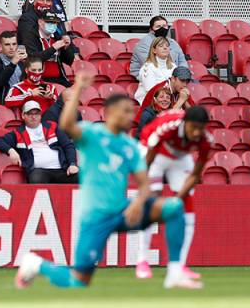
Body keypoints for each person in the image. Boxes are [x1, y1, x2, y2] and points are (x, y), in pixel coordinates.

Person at [15, 75, 200, 290]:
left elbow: (144, 182)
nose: (131, 116)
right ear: (110, 113)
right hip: (95, 217)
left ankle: (175, 272)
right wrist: (76, 92)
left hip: (122, 211)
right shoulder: (92, 134)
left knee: (174, 208)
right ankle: (35, 264)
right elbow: (66, 124)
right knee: (78, 281)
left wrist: (140, 202)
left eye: (131, 111)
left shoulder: (129, 145)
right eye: (126, 111)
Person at [134, 107, 212, 280]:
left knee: (187, 207)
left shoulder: (206, 140)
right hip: (153, 152)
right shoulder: (168, 127)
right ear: (185, 124)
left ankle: (180, 265)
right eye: (193, 127)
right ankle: (142, 261)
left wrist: (177, 199)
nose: (196, 132)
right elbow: (149, 157)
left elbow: (195, 175)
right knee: (151, 203)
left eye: (201, 128)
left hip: (179, 157)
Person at [0, 100, 79, 184]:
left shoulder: (52, 126)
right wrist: (11, 151)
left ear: (40, 115)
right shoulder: (18, 133)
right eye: (30, 114)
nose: (34, 117)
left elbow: (68, 145)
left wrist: (72, 164)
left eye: (36, 113)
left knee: (82, 177)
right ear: (23, 115)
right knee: (37, 179)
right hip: (39, 171)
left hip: (62, 169)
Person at [18, 11, 75, 87]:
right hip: (38, 80)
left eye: (54, 23)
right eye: (49, 22)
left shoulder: (57, 37)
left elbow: (69, 61)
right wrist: (53, 48)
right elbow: (33, 59)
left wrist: (67, 47)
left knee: (75, 93)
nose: (52, 25)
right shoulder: (30, 37)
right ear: (40, 22)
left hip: (59, 79)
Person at [135, 66, 195, 132]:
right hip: (146, 126)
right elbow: (166, 118)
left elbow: (194, 115)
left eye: (187, 82)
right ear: (173, 79)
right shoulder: (161, 90)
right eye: (182, 81)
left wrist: (185, 101)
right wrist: (181, 101)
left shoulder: (182, 90)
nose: (185, 85)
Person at [0, 30, 27, 103]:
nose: (11, 47)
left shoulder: (22, 60)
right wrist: (13, 64)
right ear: (0, 46)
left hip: (23, 98)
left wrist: (29, 63)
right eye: (7, 44)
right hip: (4, 102)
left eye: (14, 44)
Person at [134, 37, 176, 104]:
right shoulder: (147, 67)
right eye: (161, 46)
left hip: (168, 101)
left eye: (167, 46)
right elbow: (150, 91)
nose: (165, 48)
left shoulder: (173, 66)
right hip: (150, 103)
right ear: (154, 50)